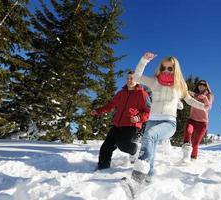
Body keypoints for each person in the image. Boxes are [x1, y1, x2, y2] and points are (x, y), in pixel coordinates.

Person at [121, 52, 206, 198]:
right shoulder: (155, 81)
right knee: (150, 150)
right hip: (152, 121)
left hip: (169, 122)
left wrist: (202, 106)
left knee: (149, 136)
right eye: (164, 68)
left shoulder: (180, 85)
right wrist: (143, 61)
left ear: (175, 69)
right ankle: (148, 179)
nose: (166, 71)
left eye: (170, 68)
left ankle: (136, 180)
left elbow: (189, 100)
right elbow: (136, 77)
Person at [91, 71, 150, 170]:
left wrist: (138, 118)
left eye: (132, 78)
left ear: (137, 80)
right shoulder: (121, 93)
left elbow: (148, 112)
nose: (129, 80)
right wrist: (98, 111)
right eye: (128, 78)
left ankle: (134, 151)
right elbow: (110, 105)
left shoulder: (143, 94)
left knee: (123, 144)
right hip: (116, 124)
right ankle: (102, 169)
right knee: (106, 147)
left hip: (131, 125)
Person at [181, 80, 214, 162]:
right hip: (192, 119)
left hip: (202, 122)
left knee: (195, 143)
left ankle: (193, 159)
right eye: (200, 84)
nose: (201, 86)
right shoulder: (194, 94)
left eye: (204, 84)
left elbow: (209, 107)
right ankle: (186, 153)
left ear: (206, 86)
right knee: (188, 132)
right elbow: (185, 94)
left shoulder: (209, 95)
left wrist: (205, 98)